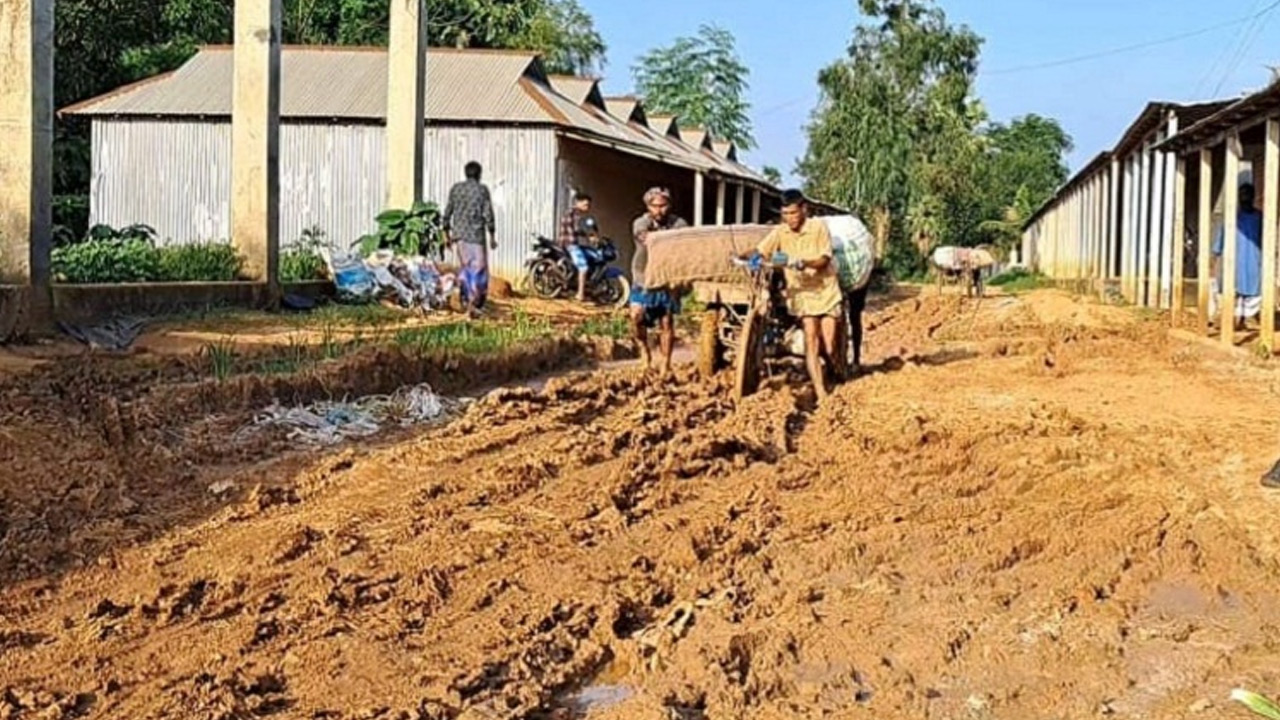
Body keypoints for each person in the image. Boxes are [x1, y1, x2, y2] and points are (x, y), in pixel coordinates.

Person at [739, 189, 845, 402]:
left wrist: (801, 262)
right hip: (801, 294)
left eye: (793, 213)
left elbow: (824, 259)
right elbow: (761, 250)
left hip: (825, 291)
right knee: (811, 341)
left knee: (830, 344)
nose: (789, 218)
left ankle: (835, 369)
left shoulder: (818, 227)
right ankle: (821, 392)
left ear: (804, 209)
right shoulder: (780, 232)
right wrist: (745, 257)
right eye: (785, 214)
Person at [631, 187, 689, 375]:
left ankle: (665, 362)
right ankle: (644, 351)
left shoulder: (678, 223)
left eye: (663, 206)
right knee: (636, 316)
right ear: (648, 207)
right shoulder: (641, 222)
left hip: (667, 279)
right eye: (655, 206)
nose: (659, 210)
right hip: (643, 276)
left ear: (669, 206)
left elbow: (685, 239)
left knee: (666, 321)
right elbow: (643, 236)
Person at [443, 161, 497, 317]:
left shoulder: (456, 189)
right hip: (476, 236)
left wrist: (446, 234)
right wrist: (492, 235)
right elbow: (488, 214)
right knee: (479, 269)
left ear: (466, 173)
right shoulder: (482, 190)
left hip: (459, 236)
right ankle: (474, 303)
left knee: (466, 267)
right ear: (479, 174)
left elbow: (447, 212)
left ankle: (466, 299)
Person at [1211, 182, 1263, 331]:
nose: (1245, 198)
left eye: (1248, 194)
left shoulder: (1260, 217)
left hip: (1254, 259)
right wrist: (1215, 256)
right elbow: (1221, 238)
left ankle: (1247, 317)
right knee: (1232, 290)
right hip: (1234, 261)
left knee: (1253, 291)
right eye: (1242, 194)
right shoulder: (1232, 217)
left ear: (1253, 197)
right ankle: (1233, 318)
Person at [559, 192, 596, 302]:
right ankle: (580, 294)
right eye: (585, 205)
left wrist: (588, 236)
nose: (587, 207)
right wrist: (588, 236)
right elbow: (574, 230)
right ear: (577, 203)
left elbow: (576, 230)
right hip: (570, 243)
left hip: (572, 243)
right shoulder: (572, 214)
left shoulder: (575, 214)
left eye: (588, 205)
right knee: (583, 267)